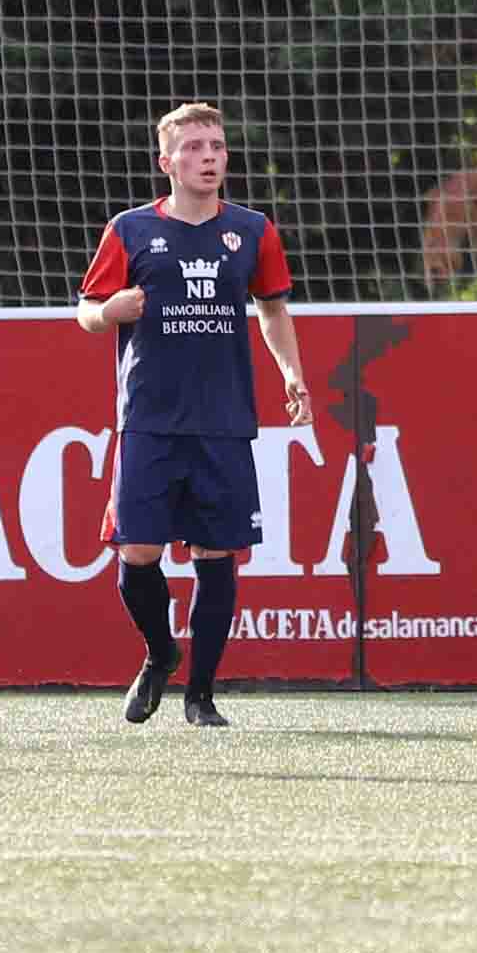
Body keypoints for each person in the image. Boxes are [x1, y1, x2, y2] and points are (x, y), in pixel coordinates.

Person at [78, 103, 312, 728]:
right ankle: (160, 653)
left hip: (224, 419)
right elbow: (87, 309)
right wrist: (109, 312)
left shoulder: (252, 230)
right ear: (168, 162)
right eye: (195, 147)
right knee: (136, 553)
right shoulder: (129, 230)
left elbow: (272, 309)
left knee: (218, 556)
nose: (210, 157)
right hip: (150, 418)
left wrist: (292, 373)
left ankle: (201, 694)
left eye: (217, 146)